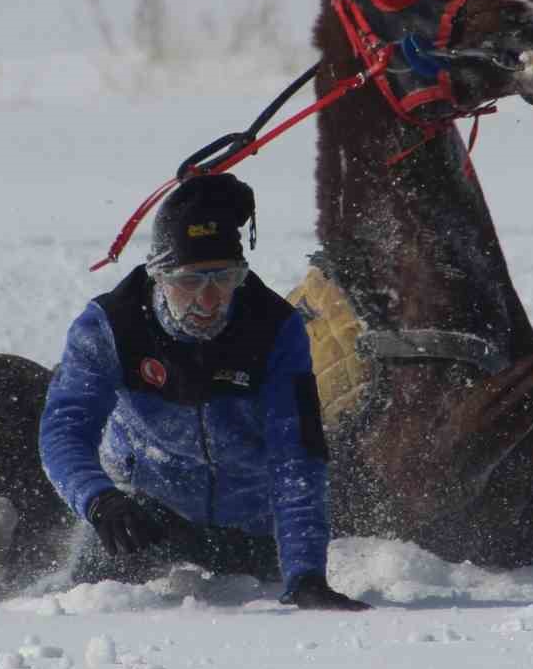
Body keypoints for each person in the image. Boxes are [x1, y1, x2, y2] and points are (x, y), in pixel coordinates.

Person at [39, 173, 369, 611]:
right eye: (190, 282)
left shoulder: (275, 328)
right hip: (143, 517)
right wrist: (99, 500)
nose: (209, 300)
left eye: (224, 279)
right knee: (81, 602)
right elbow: (64, 432)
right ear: (158, 275)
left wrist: (306, 575)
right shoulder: (108, 327)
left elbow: (298, 459)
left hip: (253, 530)